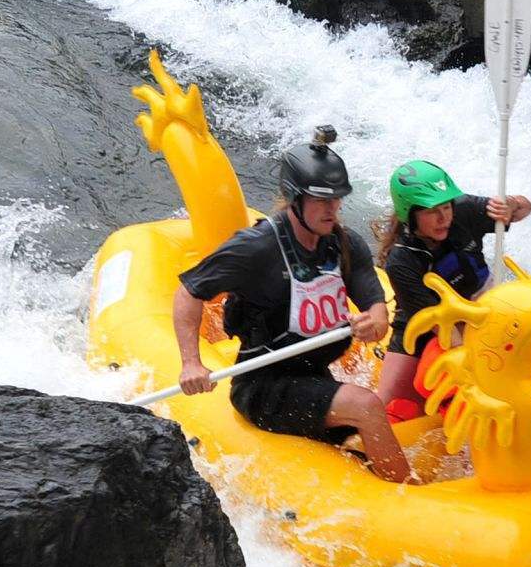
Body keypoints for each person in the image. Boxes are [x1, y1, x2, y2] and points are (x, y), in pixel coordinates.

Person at [173, 126, 412, 483]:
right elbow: (189, 291)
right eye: (322, 201)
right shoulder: (256, 247)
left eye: (337, 199)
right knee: (365, 405)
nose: (333, 209)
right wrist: (191, 362)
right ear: (295, 199)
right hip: (262, 385)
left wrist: (375, 321)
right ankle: (406, 495)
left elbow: (375, 305)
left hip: (313, 376)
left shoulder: (344, 244)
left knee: (361, 416)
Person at [375, 159, 531, 415]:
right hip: (427, 322)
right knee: (384, 404)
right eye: (431, 211)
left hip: (482, 304)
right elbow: (443, 328)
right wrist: (470, 373)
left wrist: (512, 205)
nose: (443, 218)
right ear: (410, 214)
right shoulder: (401, 261)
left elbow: (526, 208)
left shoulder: (463, 210)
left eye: (446, 207)